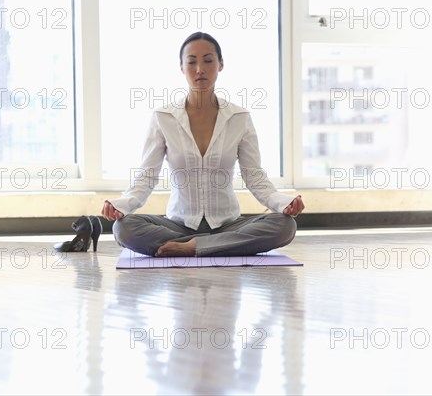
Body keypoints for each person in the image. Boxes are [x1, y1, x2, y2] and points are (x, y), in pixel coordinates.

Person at [101, 32, 304, 257]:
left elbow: (254, 175)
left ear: (221, 65)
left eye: (208, 60)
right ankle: (219, 246)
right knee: (124, 228)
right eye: (191, 62)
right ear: (181, 67)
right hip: (178, 225)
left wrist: (281, 203)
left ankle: (192, 247)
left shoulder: (239, 117)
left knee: (285, 225)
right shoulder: (163, 117)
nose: (200, 69)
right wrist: (123, 204)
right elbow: (147, 175)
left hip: (228, 224)